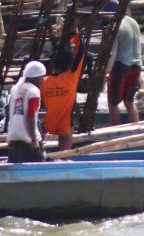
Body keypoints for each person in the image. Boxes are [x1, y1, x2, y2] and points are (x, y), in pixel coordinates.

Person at [42, 20, 86, 151]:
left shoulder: (44, 81)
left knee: (41, 125)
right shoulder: (71, 77)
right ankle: (64, 158)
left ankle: (38, 152)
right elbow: (81, 51)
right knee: (66, 134)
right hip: (64, 125)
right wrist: (76, 33)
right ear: (69, 62)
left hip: (48, 123)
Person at [106, 0, 142, 126]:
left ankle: (114, 131)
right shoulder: (133, 22)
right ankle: (137, 129)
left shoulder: (116, 26)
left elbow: (113, 53)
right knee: (129, 101)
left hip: (121, 67)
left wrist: (106, 72)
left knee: (113, 102)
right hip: (137, 66)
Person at [7, 60, 47, 163]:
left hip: (13, 138)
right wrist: (34, 140)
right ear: (36, 77)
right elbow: (30, 116)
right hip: (27, 140)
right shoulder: (34, 91)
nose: (43, 80)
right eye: (42, 77)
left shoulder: (15, 89)